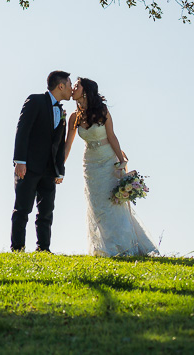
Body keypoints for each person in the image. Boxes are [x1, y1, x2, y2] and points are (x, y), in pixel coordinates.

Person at [64, 77, 158, 257]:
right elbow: (68, 144)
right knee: (97, 204)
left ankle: (124, 246)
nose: (73, 88)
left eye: (76, 86)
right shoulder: (74, 117)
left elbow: (112, 136)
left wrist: (122, 161)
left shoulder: (102, 111)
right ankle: (105, 248)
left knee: (113, 203)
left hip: (108, 160)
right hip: (90, 164)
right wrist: (60, 166)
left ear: (85, 90)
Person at [10, 70, 72, 252]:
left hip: (49, 171)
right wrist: (20, 161)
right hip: (28, 167)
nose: (70, 89)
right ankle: (18, 248)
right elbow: (22, 131)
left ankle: (43, 249)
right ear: (61, 86)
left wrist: (59, 170)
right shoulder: (35, 101)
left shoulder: (62, 112)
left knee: (46, 212)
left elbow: (59, 145)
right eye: (69, 85)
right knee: (22, 209)